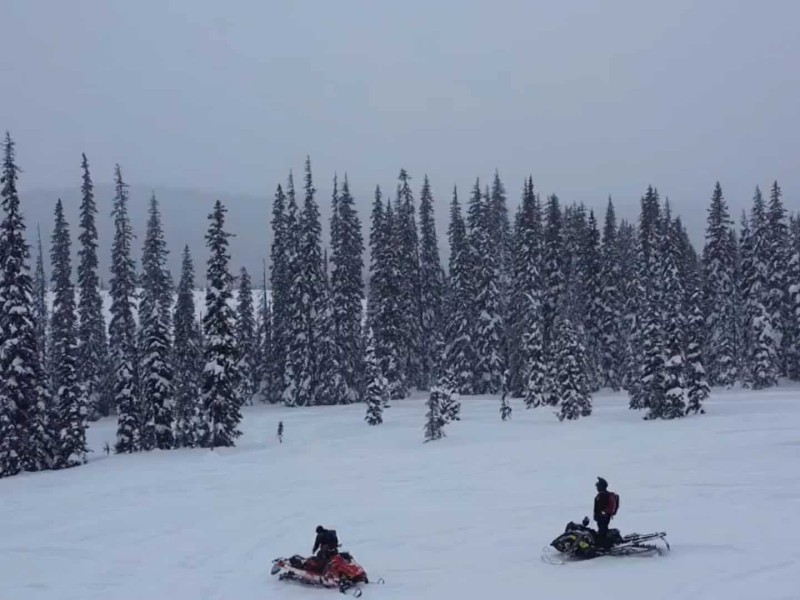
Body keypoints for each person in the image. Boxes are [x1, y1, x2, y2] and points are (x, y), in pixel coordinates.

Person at [593, 477, 618, 548]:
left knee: (602, 531)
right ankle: (604, 544)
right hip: (604, 517)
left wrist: (600, 515)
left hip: (603, 517)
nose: (597, 487)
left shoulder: (603, 495)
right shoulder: (604, 494)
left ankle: (605, 546)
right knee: (602, 530)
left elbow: (600, 508)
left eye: (598, 486)